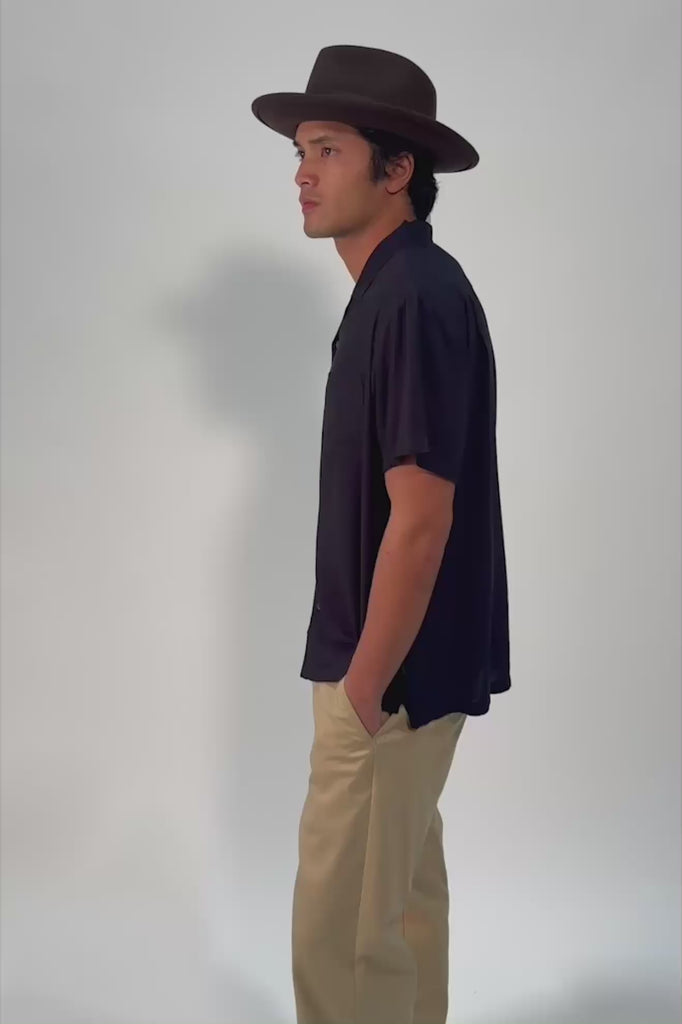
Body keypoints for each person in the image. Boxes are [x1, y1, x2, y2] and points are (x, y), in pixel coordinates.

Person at [252, 44, 511, 1024]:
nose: (303, 173)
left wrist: (363, 689)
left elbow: (423, 516)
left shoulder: (410, 296)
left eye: (328, 149)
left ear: (397, 168)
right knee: (393, 914)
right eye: (300, 151)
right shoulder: (401, 290)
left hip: (387, 678)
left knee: (343, 937)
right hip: (401, 673)